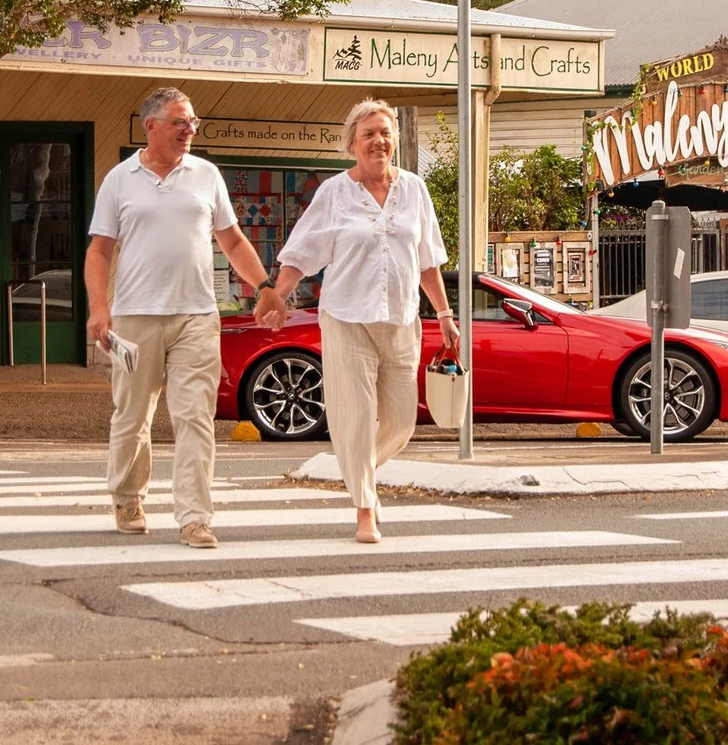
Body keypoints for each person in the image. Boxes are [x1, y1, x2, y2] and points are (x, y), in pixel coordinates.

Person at [86, 87, 284, 550]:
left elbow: (233, 241)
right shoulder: (120, 179)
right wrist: (100, 308)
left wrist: (264, 287)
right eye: (179, 121)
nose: (189, 129)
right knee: (133, 415)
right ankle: (128, 498)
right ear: (149, 125)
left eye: (193, 121)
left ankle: (195, 516)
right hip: (135, 319)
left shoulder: (206, 175)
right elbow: (99, 251)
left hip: (197, 316)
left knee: (195, 416)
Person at [256, 99, 459, 543]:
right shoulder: (334, 193)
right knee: (355, 417)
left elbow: (428, 260)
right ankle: (365, 505)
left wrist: (443, 313)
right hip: (346, 318)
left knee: (402, 423)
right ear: (352, 144)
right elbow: (303, 252)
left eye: (385, 132)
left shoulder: (415, 190)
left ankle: (357, 469)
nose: (379, 141)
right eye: (368, 134)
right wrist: (277, 296)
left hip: (401, 319)